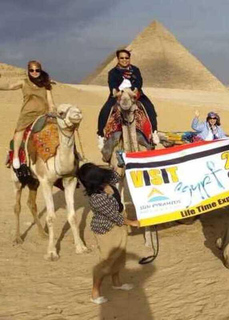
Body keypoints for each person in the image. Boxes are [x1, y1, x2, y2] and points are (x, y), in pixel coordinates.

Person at [77, 163, 139, 305]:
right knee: (106, 260)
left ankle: (116, 283)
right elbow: (114, 216)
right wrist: (133, 223)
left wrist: (119, 162)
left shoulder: (106, 180)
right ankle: (95, 292)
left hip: (118, 224)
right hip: (107, 229)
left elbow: (117, 175)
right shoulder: (96, 198)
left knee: (119, 255)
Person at [97, 49, 159, 147]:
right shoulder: (113, 72)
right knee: (105, 110)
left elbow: (139, 83)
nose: (124, 60)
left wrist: (133, 89)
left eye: (127, 58)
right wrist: (118, 91)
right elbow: (112, 85)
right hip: (118, 95)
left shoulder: (135, 70)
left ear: (129, 58)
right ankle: (100, 135)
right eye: (122, 58)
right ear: (118, 59)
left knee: (149, 107)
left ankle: (154, 132)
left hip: (135, 94)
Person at [0, 60, 55, 169]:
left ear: (40, 70)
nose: (34, 72)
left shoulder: (46, 85)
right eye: (32, 70)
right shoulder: (24, 82)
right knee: (19, 131)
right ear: (28, 71)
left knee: (60, 130)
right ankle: (15, 155)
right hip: (27, 114)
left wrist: (52, 110)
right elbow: (9, 86)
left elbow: (51, 102)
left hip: (43, 114)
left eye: (37, 70)